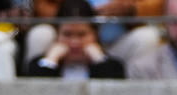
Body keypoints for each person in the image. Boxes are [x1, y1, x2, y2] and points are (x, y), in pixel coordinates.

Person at [23, 0, 160, 73]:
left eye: (80, 35)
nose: (75, 41)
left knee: (148, 36)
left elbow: (158, 6)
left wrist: (131, 9)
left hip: (113, 44)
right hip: (61, 39)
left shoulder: (112, 65)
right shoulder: (44, 61)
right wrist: (51, 59)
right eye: (69, 35)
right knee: (41, 33)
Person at [25, 0, 124, 78]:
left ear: (95, 34)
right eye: (67, 34)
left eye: (82, 34)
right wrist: (51, 61)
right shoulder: (40, 65)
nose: (74, 42)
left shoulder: (114, 66)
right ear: (57, 34)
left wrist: (99, 60)